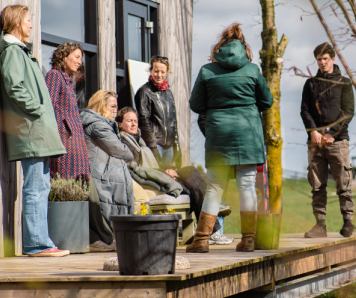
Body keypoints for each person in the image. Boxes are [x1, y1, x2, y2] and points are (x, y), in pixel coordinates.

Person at [188, 23, 273, 253]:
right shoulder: (253, 70)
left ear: (220, 46)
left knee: (214, 187)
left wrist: (216, 106)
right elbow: (267, 102)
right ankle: (248, 240)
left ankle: (202, 240)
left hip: (218, 135)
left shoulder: (207, 71)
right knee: (247, 186)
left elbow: (196, 104)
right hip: (248, 134)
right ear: (243, 45)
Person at [0, 4, 69, 257]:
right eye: (28, 20)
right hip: (30, 129)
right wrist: (37, 108)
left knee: (40, 186)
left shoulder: (21, 52)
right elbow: (14, 87)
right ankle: (38, 244)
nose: (30, 25)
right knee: (36, 187)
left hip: (36, 130)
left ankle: (41, 242)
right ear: (16, 22)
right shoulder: (13, 52)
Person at [116, 107, 233, 245]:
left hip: (158, 174)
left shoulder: (139, 141)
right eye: (129, 121)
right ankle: (212, 220)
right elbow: (139, 171)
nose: (134, 124)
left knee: (191, 171)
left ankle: (211, 215)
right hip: (152, 180)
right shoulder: (124, 143)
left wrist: (167, 170)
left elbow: (152, 165)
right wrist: (162, 175)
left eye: (135, 121)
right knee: (193, 187)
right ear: (120, 124)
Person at [300, 42, 356, 238]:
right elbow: (305, 110)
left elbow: (348, 112)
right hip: (315, 143)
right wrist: (313, 132)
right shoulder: (311, 84)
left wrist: (332, 133)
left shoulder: (344, 82)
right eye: (319, 60)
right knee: (317, 185)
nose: (322, 62)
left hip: (338, 142)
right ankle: (320, 225)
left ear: (333, 59)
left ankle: (348, 222)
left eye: (325, 59)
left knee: (343, 183)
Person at [80, 90, 134, 251]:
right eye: (112, 106)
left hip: (104, 173)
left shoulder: (102, 124)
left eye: (116, 107)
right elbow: (120, 150)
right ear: (100, 105)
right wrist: (130, 152)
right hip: (100, 175)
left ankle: (108, 238)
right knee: (103, 209)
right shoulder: (98, 125)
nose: (115, 111)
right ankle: (101, 239)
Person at [44, 42, 91, 182]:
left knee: (78, 182)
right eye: (76, 57)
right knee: (65, 181)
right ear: (64, 57)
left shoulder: (67, 80)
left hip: (73, 141)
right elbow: (48, 108)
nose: (79, 62)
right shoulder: (54, 75)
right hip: (63, 141)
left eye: (81, 59)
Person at [135, 56, 181, 169]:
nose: (159, 75)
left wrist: (177, 146)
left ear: (167, 72)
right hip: (155, 145)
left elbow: (173, 121)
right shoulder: (144, 92)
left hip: (169, 146)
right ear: (151, 70)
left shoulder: (168, 93)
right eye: (156, 71)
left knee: (169, 180)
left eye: (162, 72)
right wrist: (153, 146)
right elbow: (144, 121)